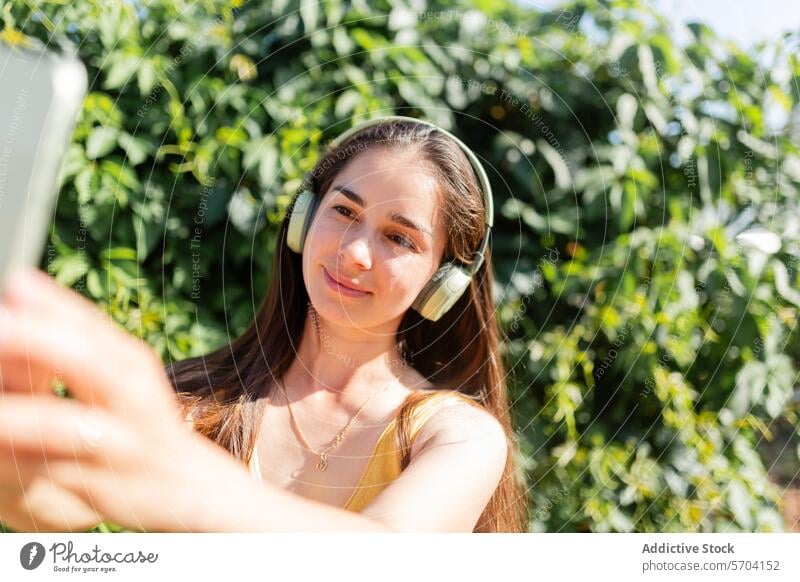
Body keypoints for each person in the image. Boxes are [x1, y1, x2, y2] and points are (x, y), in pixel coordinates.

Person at [0, 116, 529, 533]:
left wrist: (181, 481)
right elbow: (54, 504)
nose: (355, 251)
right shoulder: (199, 400)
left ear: (444, 282)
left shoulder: (459, 438)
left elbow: (388, 560)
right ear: (304, 216)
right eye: (344, 212)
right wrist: (20, 468)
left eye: (399, 238)